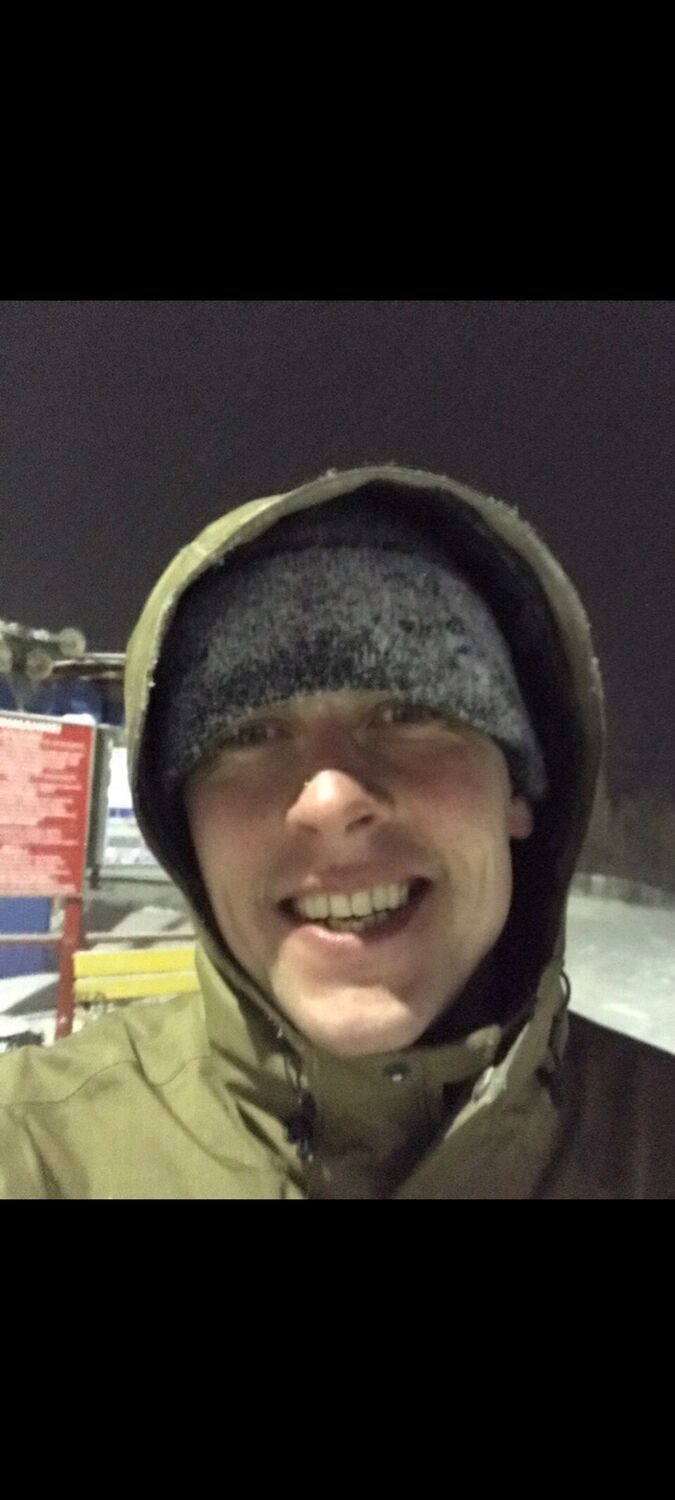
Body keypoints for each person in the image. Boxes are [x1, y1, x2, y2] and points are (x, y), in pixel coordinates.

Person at [1, 463, 674, 1198]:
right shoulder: (36, 1146)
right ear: (184, 826)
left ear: (516, 787)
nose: (330, 798)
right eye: (248, 734)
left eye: (408, 714)